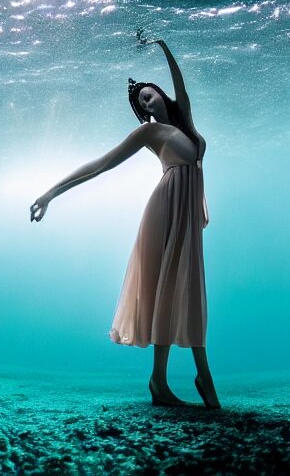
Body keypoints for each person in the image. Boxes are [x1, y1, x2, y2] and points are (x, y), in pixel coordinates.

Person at [30, 37, 220, 409]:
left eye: (151, 95)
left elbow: (182, 91)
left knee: (187, 288)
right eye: (141, 102)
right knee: (171, 288)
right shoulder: (149, 133)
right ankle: (184, 378)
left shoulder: (188, 126)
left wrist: (165, 46)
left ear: (164, 96)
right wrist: (51, 193)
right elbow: (101, 164)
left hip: (187, 214)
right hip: (166, 211)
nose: (147, 101)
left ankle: (171, 379)